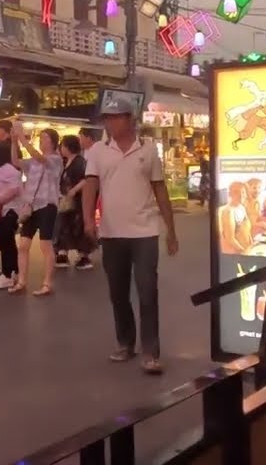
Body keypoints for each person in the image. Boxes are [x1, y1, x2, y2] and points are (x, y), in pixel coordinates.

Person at [83, 94, 179, 375]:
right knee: (118, 293)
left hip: (145, 232)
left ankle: (151, 352)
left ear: (129, 120)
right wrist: (89, 219)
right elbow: (91, 186)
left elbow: (160, 189)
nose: (110, 123)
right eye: (107, 119)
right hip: (112, 233)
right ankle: (126, 343)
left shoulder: (148, 151)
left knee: (148, 291)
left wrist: (171, 230)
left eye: (115, 118)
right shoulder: (98, 152)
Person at [13, 126, 62, 295]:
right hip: (31, 206)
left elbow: (39, 157)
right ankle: (21, 281)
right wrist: (14, 142)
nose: (41, 141)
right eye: (40, 138)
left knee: (45, 245)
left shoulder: (56, 159)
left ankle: (47, 284)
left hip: (47, 204)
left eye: (45, 138)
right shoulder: (34, 160)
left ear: (54, 142)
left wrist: (22, 138)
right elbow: (16, 162)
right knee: (23, 245)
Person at [56, 128, 99, 268]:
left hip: (79, 202)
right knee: (65, 226)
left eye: (62, 146)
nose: (61, 148)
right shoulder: (66, 162)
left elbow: (86, 179)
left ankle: (83, 256)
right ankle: (63, 253)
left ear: (68, 147)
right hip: (68, 202)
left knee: (78, 227)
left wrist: (74, 190)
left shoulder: (80, 162)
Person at [0, 140, 23, 289]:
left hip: (10, 211)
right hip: (6, 211)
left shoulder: (7, 169)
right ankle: (13, 271)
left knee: (5, 243)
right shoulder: (3, 169)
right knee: (8, 242)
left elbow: (15, 187)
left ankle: (7, 274)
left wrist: (0, 201)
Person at [217, 181, 250, 255]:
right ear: (230, 194)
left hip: (244, 246)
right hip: (233, 251)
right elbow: (230, 239)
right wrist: (243, 251)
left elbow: (246, 228)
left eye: (243, 192)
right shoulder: (228, 212)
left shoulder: (242, 207)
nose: (240, 195)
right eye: (236, 192)